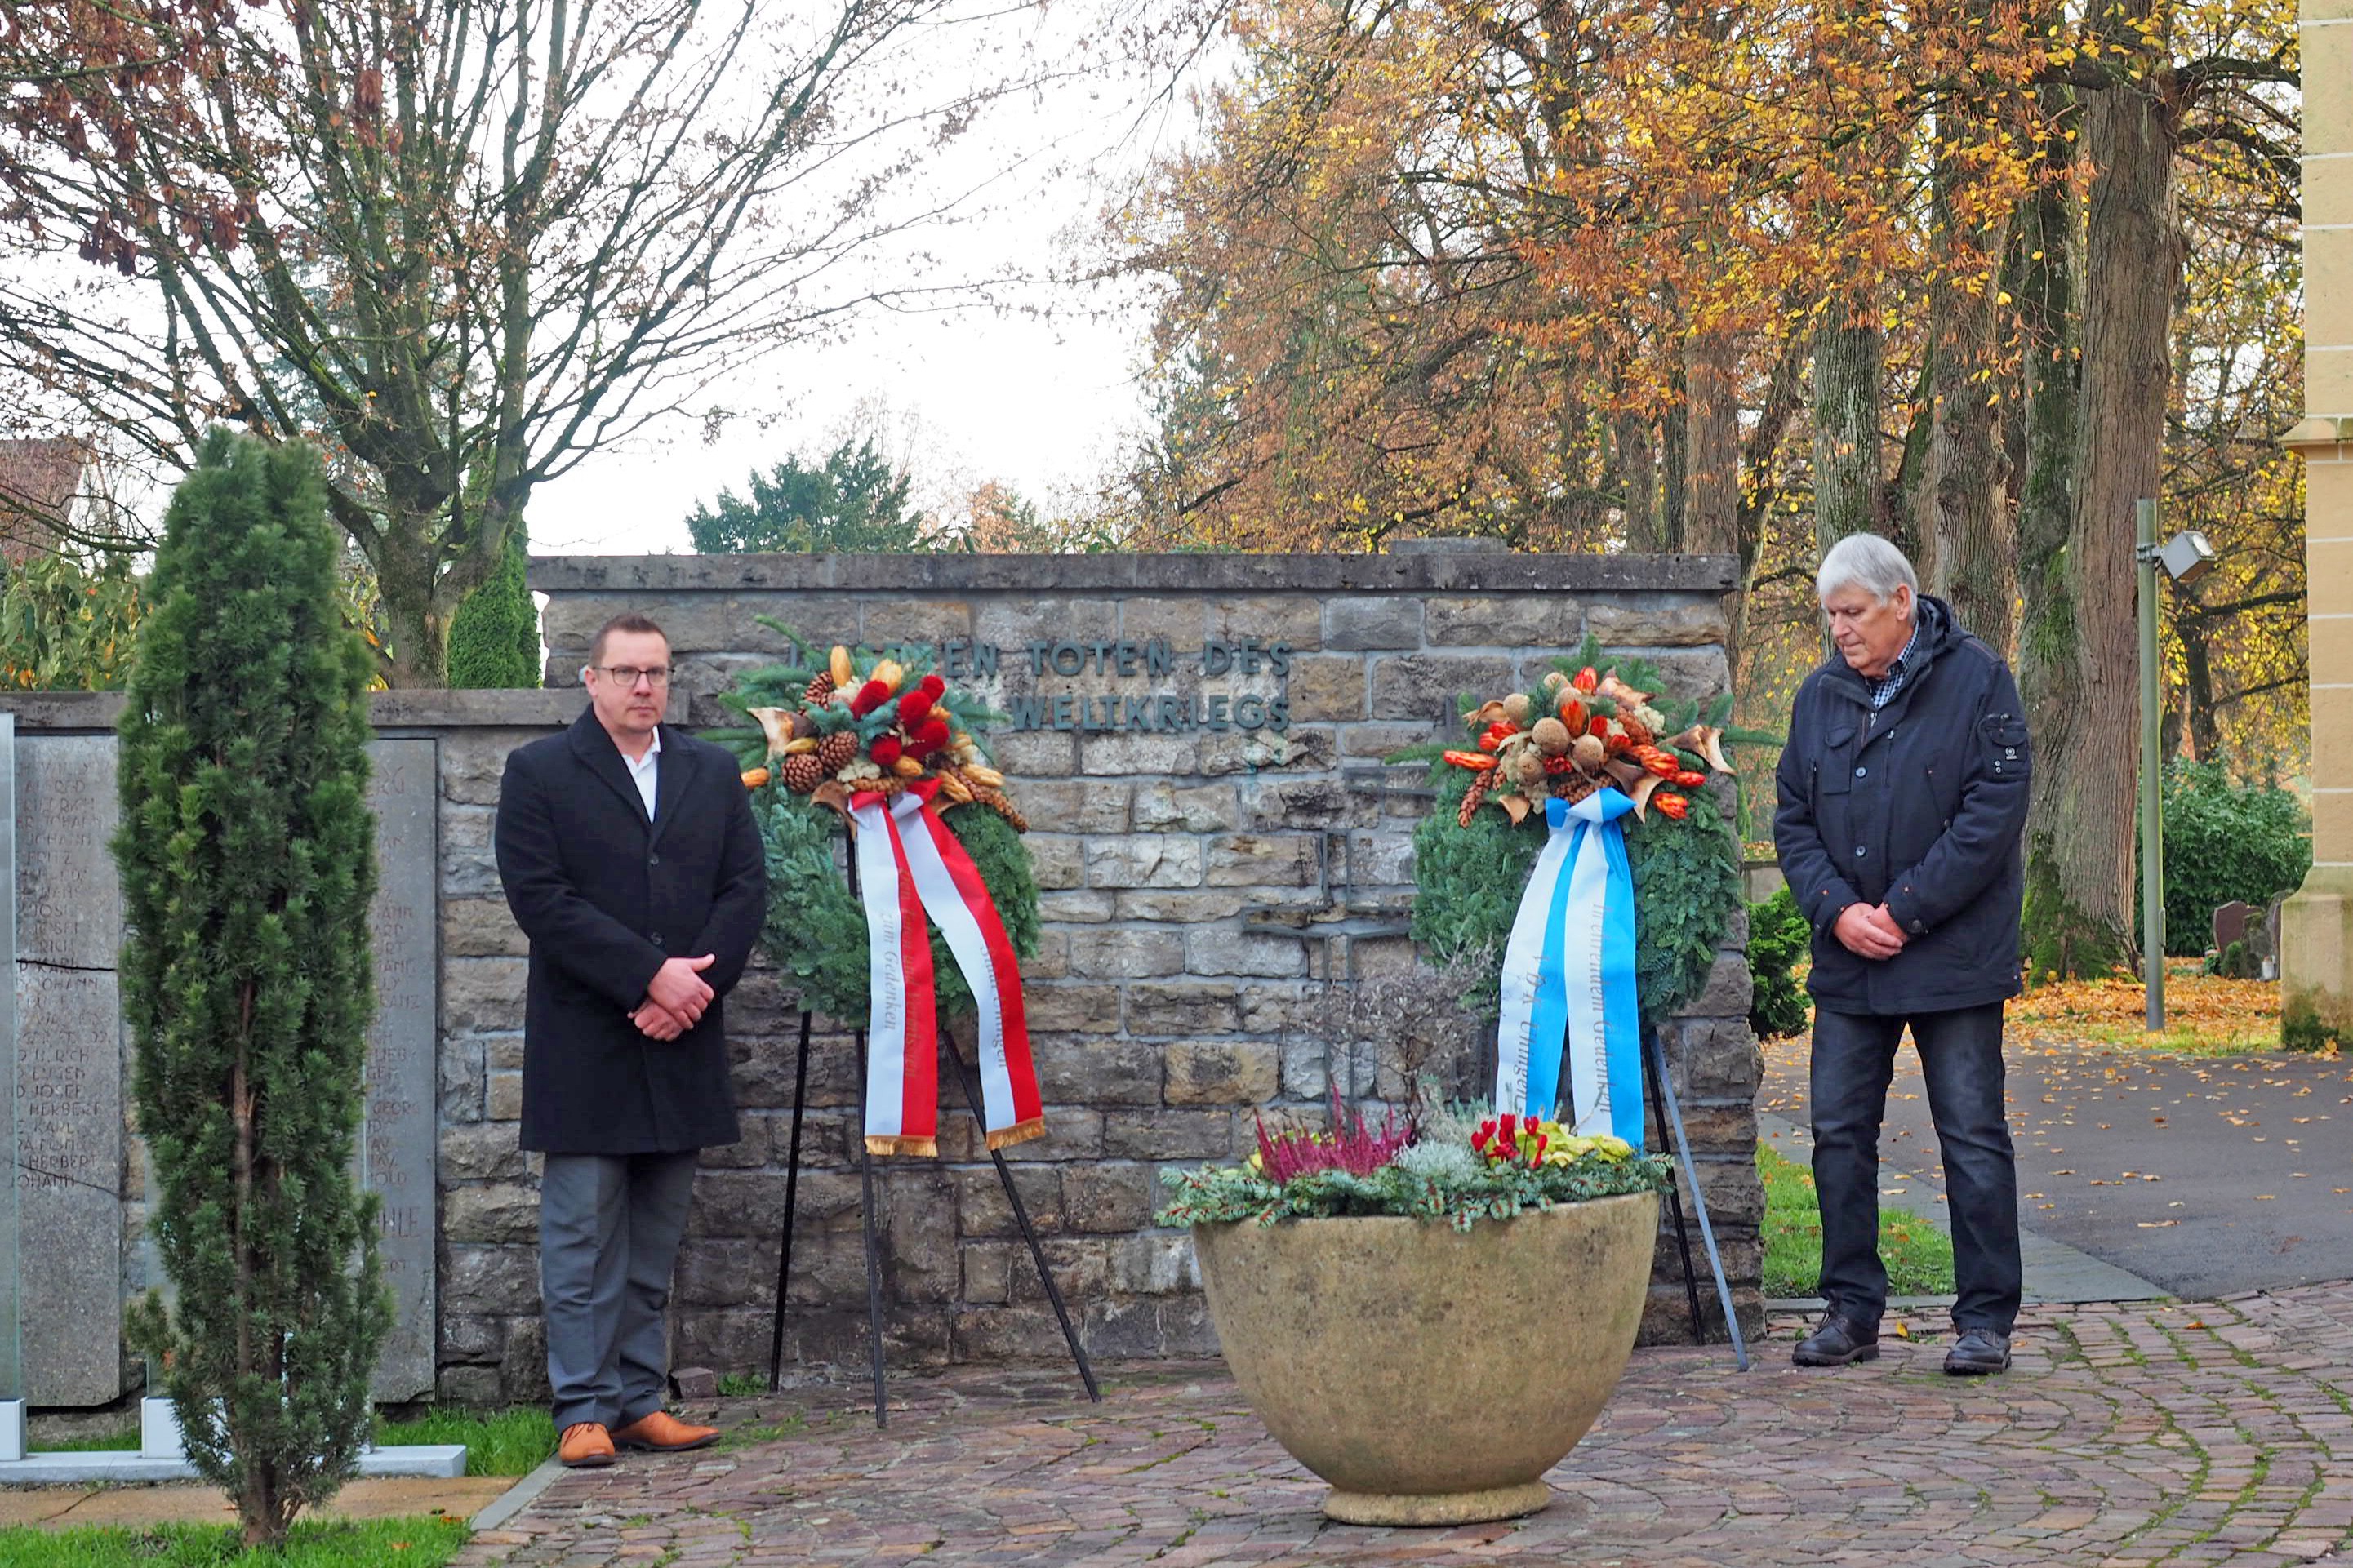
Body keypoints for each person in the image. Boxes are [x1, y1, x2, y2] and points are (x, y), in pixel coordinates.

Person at [496, 612, 767, 1466]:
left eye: (656, 671)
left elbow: (744, 890)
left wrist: (691, 992)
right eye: (627, 672)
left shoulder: (709, 771)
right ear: (592, 680)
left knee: (654, 1240)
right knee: (580, 1238)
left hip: (681, 1038)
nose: (644, 686)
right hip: (588, 1042)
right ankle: (581, 1409)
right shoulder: (539, 771)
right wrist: (650, 976)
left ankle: (639, 1400)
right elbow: (542, 899)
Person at [1773, 534, 2031, 1376]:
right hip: (1850, 957)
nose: (1839, 629)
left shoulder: (1979, 679)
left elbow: (1992, 812)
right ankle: (1850, 1311)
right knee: (1838, 1135)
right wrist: (1837, 910)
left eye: (1851, 612)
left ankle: (1984, 1320)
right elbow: (1791, 817)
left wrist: (1903, 910)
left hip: (1954, 956)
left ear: (1900, 601)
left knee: (1971, 1134)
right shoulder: (1818, 695)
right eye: (1830, 615)